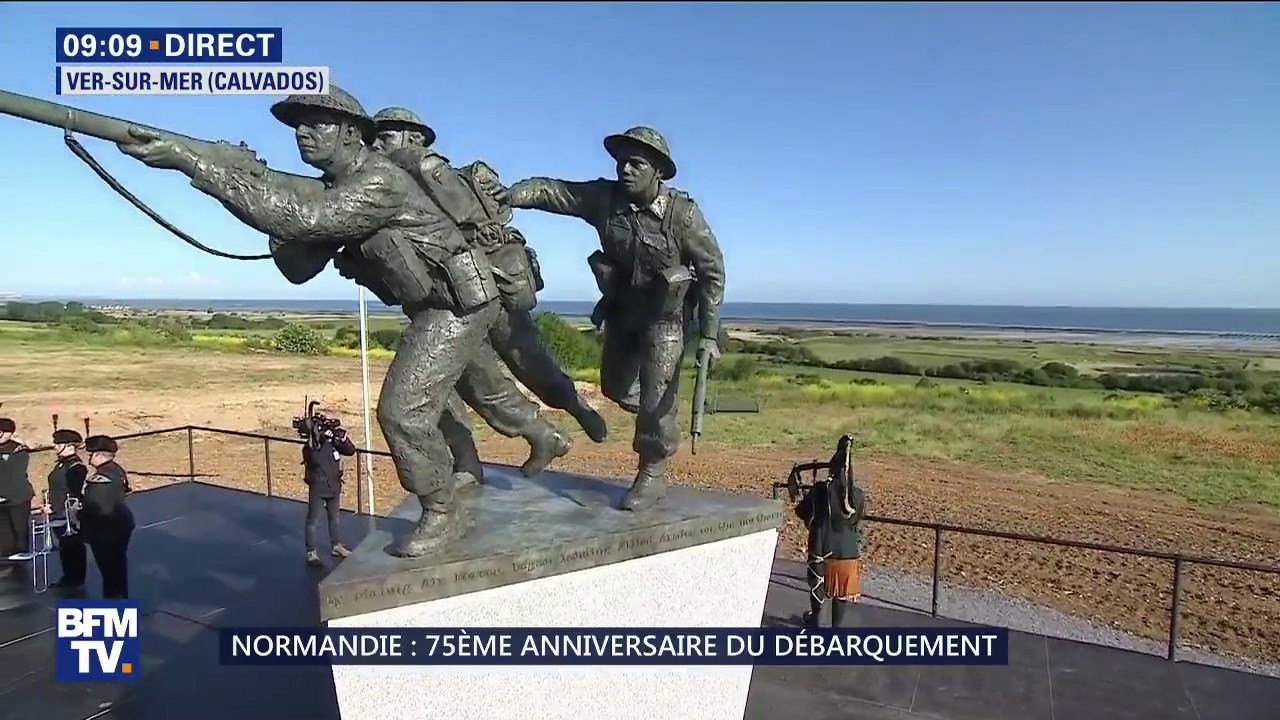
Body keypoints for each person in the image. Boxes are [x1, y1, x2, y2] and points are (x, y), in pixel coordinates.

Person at [114, 85, 549, 557]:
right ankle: (513, 450)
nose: (302, 133)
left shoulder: (379, 180)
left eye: (315, 124)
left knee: (403, 410)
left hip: (457, 304)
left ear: (349, 133)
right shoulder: (338, 187)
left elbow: (304, 217)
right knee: (453, 398)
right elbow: (297, 264)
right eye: (297, 125)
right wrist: (241, 172)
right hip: (435, 305)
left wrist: (195, 164)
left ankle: (442, 510)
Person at [500, 126, 726, 511]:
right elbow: (553, 192)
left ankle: (653, 467)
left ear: (658, 171)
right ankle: (661, 412)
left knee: (656, 399)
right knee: (616, 388)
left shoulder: (683, 216)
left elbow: (712, 272)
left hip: (665, 319)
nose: (626, 170)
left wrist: (708, 334)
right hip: (624, 311)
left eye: (636, 163)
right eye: (622, 162)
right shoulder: (604, 199)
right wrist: (509, 195)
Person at [368, 107, 609, 448]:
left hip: (488, 280)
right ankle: (541, 433)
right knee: (481, 376)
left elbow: (465, 219)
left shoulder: (424, 167)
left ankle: (573, 405)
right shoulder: (397, 181)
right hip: (455, 296)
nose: (376, 145)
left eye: (386, 136)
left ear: (414, 137)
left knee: (527, 359)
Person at [794, 434, 866, 628]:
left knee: (818, 588)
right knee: (840, 592)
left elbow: (801, 511)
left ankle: (816, 623)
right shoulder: (858, 495)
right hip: (847, 550)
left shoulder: (819, 490)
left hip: (821, 547)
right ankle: (835, 630)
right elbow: (857, 519)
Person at [79, 435, 134, 599]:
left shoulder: (99, 480)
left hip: (105, 532)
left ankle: (115, 605)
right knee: (118, 569)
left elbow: (96, 507)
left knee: (110, 572)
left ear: (99, 455)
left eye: (90, 454)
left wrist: (78, 513)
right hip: (120, 526)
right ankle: (120, 601)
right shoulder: (116, 470)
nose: (88, 458)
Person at [301, 410, 357, 565]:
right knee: (313, 520)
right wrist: (319, 438)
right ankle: (311, 551)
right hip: (319, 486)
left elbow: (351, 451)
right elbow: (314, 459)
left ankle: (336, 545)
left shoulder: (334, 442)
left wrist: (341, 439)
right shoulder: (312, 445)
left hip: (334, 485)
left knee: (335, 518)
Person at [47, 426, 89, 590]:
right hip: (57, 510)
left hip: (67, 512)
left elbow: (73, 493)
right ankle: (69, 576)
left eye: (58, 444)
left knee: (73, 546)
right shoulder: (63, 464)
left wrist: (56, 508)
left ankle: (75, 578)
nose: (55, 447)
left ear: (69, 446)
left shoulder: (75, 467)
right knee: (66, 546)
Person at [0, 417, 34, 561]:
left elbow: (15, 475)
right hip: (2, 499)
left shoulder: (18, 450)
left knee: (19, 531)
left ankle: (21, 562)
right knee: (4, 534)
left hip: (17, 497)